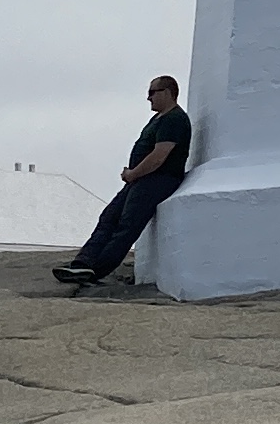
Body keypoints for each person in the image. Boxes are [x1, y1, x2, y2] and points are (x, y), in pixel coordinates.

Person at [60, 78, 194, 293]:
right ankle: (82, 264)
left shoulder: (174, 119)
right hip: (141, 180)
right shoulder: (158, 119)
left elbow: (159, 156)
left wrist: (133, 173)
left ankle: (97, 269)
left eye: (153, 92)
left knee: (127, 224)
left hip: (157, 180)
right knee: (109, 218)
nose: (148, 97)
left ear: (168, 92)